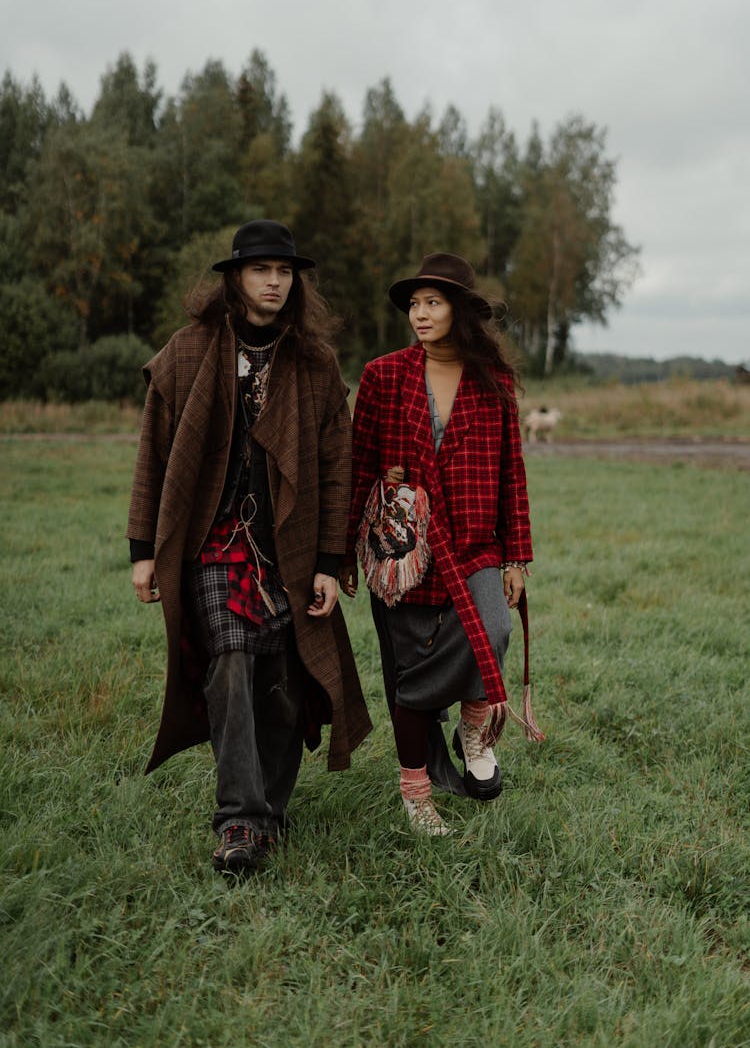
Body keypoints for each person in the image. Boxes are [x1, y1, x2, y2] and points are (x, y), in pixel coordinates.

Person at [128, 220, 372, 873]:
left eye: (285, 271)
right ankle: (240, 819)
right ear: (234, 276)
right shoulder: (189, 352)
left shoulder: (315, 364)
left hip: (286, 550)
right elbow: (154, 454)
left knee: (287, 681)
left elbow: (335, 468)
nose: (274, 281)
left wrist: (328, 562)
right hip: (211, 543)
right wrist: (142, 547)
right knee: (231, 661)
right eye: (261, 269)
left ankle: (271, 808)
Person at [341, 253, 541, 836]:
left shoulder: (494, 382)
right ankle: (416, 793)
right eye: (414, 304)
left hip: (476, 542)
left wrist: (516, 556)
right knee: (413, 672)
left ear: (461, 310)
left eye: (433, 302)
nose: (420, 314)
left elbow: (513, 472)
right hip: (402, 550)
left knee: (495, 629)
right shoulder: (383, 376)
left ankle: (474, 730)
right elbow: (360, 468)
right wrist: (342, 552)